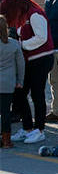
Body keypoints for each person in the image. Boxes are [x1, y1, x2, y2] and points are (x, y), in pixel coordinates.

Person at [0, 0, 54, 144]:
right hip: (28, 60)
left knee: (38, 94)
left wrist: (21, 45)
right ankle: (28, 127)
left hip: (41, 59)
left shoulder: (35, 15)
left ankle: (40, 129)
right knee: (20, 93)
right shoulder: (21, 16)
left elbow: (42, 38)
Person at [0, 14, 24, 148]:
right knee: (5, 111)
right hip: (8, 83)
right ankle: (6, 140)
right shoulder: (14, 44)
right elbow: (21, 65)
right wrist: (20, 80)